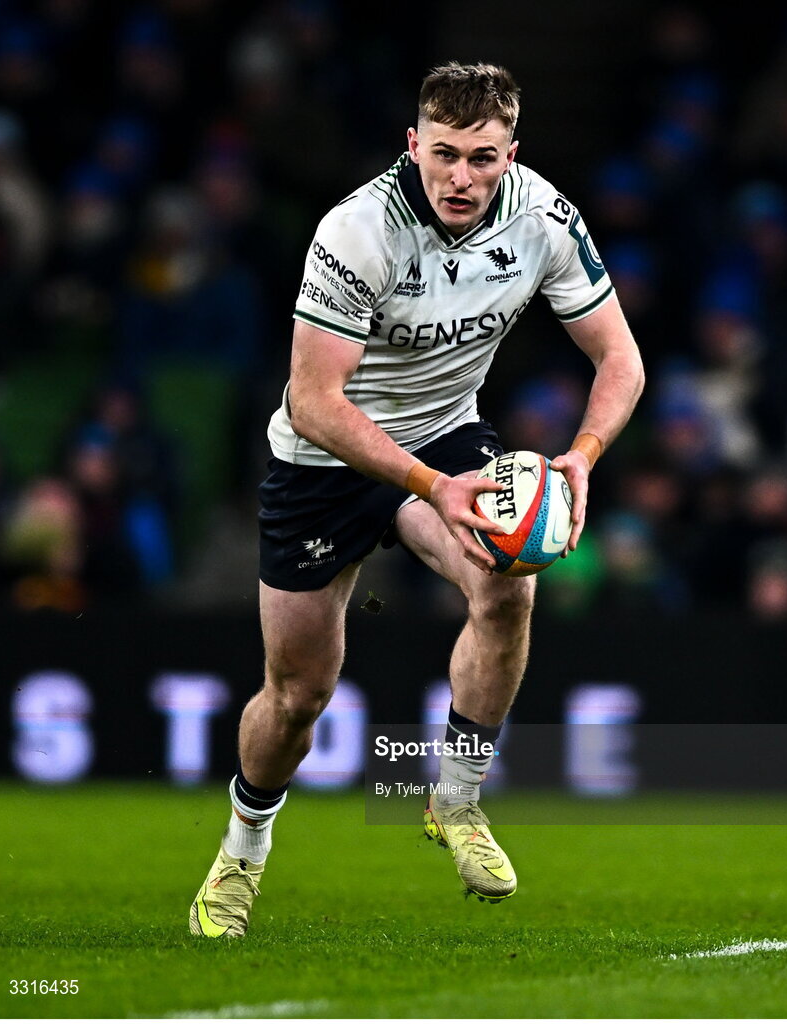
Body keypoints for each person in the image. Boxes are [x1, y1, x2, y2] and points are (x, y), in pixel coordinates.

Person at [189, 61, 644, 937]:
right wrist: (433, 487)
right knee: (297, 696)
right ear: (413, 144)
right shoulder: (358, 231)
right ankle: (241, 853)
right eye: (444, 156)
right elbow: (316, 401)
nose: (461, 178)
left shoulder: (546, 220)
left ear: (512, 153)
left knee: (508, 580)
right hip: (324, 459)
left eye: (482, 158)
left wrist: (583, 457)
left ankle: (456, 799)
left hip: (443, 432)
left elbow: (620, 359)